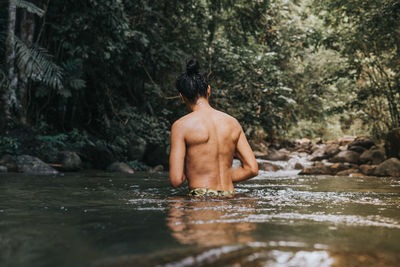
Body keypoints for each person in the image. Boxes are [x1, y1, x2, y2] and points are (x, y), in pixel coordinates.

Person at [169, 59, 258, 197]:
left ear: (182, 96)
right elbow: (252, 169)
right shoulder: (232, 122)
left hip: (201, 198)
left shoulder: (181, 126)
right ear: (209, 90)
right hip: (229, 196)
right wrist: (222, 175)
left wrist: (200, 172)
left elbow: (176, 180)